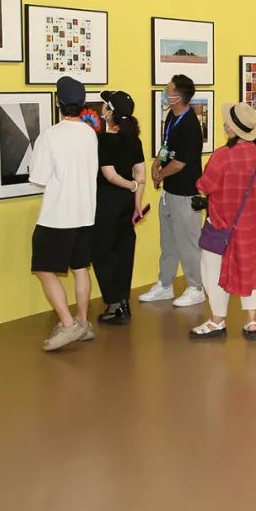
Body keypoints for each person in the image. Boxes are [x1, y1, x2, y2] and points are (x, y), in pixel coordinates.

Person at [29, 76, 99, 352]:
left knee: (44, 269)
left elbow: (39, 177)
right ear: (82, 103)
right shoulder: (89, 133)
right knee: (80, 267)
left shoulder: (50, 135)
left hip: (57, 216)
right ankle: (82, 322)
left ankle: (68, 325)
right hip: (85, 213)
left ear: (57, 101)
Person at [189, 103, 256, 340]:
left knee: (212, 270)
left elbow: (204, 185)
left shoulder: (222, 156)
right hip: (249, 225)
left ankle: (217, 320)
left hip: (221, 223)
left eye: (227, 124)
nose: (224, 126)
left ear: (233, 130)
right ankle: (251, 321)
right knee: (248, 267)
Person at [139, 74, 207, 307]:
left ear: (178, 97)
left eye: (168, 90)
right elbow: (167, 146)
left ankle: (196, 288)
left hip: (186, 194)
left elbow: (180, 164)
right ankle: (165, 285)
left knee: (188, 244)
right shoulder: (171, 116)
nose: (164, 93)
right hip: (169, 192)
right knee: (168, 243)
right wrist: (157, 162)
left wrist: (160, 174)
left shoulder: (190, 125)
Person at [92, 91, 145, 324]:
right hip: (126, 202)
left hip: (107, 201)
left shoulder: (104, 140)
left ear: (110, 113)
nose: (102, 108)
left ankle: (114, 304)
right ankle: (123, 301)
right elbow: (141, 173)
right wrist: (137, 202)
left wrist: (131, 186)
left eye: (105, 105)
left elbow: (110, 175)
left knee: (103, 251)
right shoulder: (134, 139)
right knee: (124, 250)